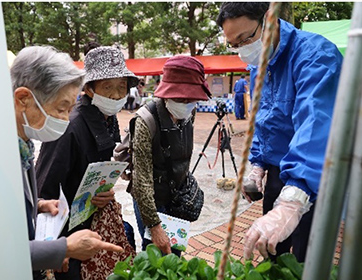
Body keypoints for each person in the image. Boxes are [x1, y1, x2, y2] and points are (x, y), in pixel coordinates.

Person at [217, 2, 342, 262]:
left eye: (245, 38)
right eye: (234, 44)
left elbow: (315, 125)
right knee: (272, 250)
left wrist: (293, 200)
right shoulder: (260, 65)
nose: (242, 50)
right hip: (277, 172)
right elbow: (264, 119)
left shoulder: (315, 55)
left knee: (307, 257)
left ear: (269, 20)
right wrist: (258, 164)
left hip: (312, 177)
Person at [10, 45, 123, 279]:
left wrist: (39, 204)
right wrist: (61, 248)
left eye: (70, 109)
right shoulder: (3, 154)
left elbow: (29, 196)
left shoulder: (24, 144)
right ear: (23, 98)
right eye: (62, 109)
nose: (64, 118)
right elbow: (2, 248)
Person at [35, 46, 136, 280]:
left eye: (121, 87)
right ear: (90, 89)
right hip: (67, 232)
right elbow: (44, 189)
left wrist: (105, 193)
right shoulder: (70, 127)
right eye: (107, 87)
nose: (115, 95)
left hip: (90, 223)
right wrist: (56, 249)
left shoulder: (107, 118)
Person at [127, 55, 210, 256]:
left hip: (176, 198)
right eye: (181, 99)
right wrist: (154, 225)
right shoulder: (146, 121)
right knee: (155, 254)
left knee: (174, 254)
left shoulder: (190, 112)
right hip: (151, 200)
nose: (187, 104)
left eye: (192, 99)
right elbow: (142, 180)